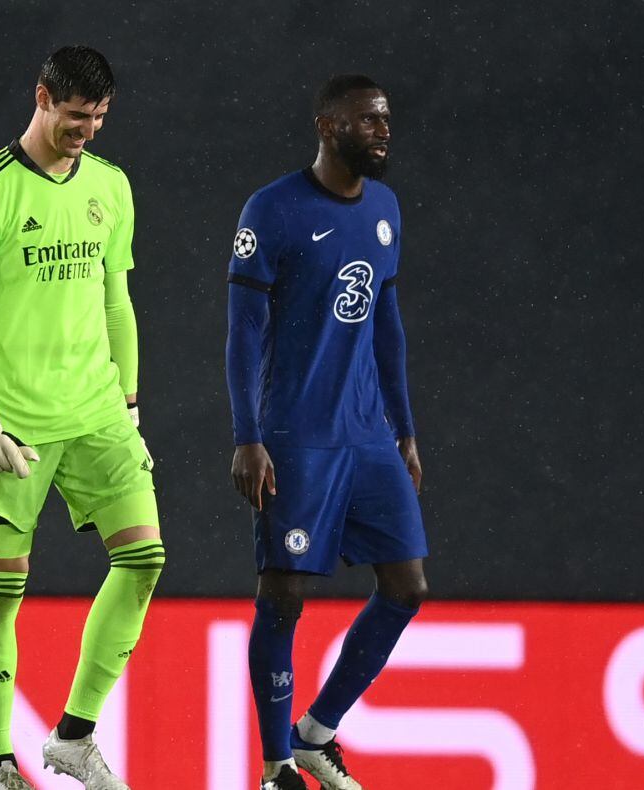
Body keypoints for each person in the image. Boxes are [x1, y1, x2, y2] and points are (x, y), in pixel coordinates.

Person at [0, 46, 163, 790]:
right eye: (74, 117)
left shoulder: (111, 186)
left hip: (99, 412)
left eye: (98, 119)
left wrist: (129, 404)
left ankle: (74, 734)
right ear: (41, 97)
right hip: (16, 429)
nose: (87, 132)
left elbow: (117, 301)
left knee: (145, 560)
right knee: (1, 593)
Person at [226, 75, 429, 790]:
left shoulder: (385, 207)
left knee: (407, 587)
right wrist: (247, 435)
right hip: (296, 435)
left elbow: (387, 326)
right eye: (369, 119)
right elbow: (244, 335)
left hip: (369, 435)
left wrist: (404, 429)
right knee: (283, 596)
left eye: (387, 119)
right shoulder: (273, 210)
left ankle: (317, 732)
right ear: (326, 123)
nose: (383, 130)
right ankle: (276, 762)